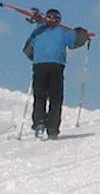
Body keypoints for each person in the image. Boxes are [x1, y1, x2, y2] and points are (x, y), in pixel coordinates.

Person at [22, 8, 89, 139]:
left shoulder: (38, 31)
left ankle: (40, 123)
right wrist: (82, 35)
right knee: (55, 98)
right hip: (56, 66)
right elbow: (75, 42)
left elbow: (27, 49)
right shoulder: (63, 32)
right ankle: (52, 128)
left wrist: (35, 57)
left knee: (40, 96)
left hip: (40, 65)